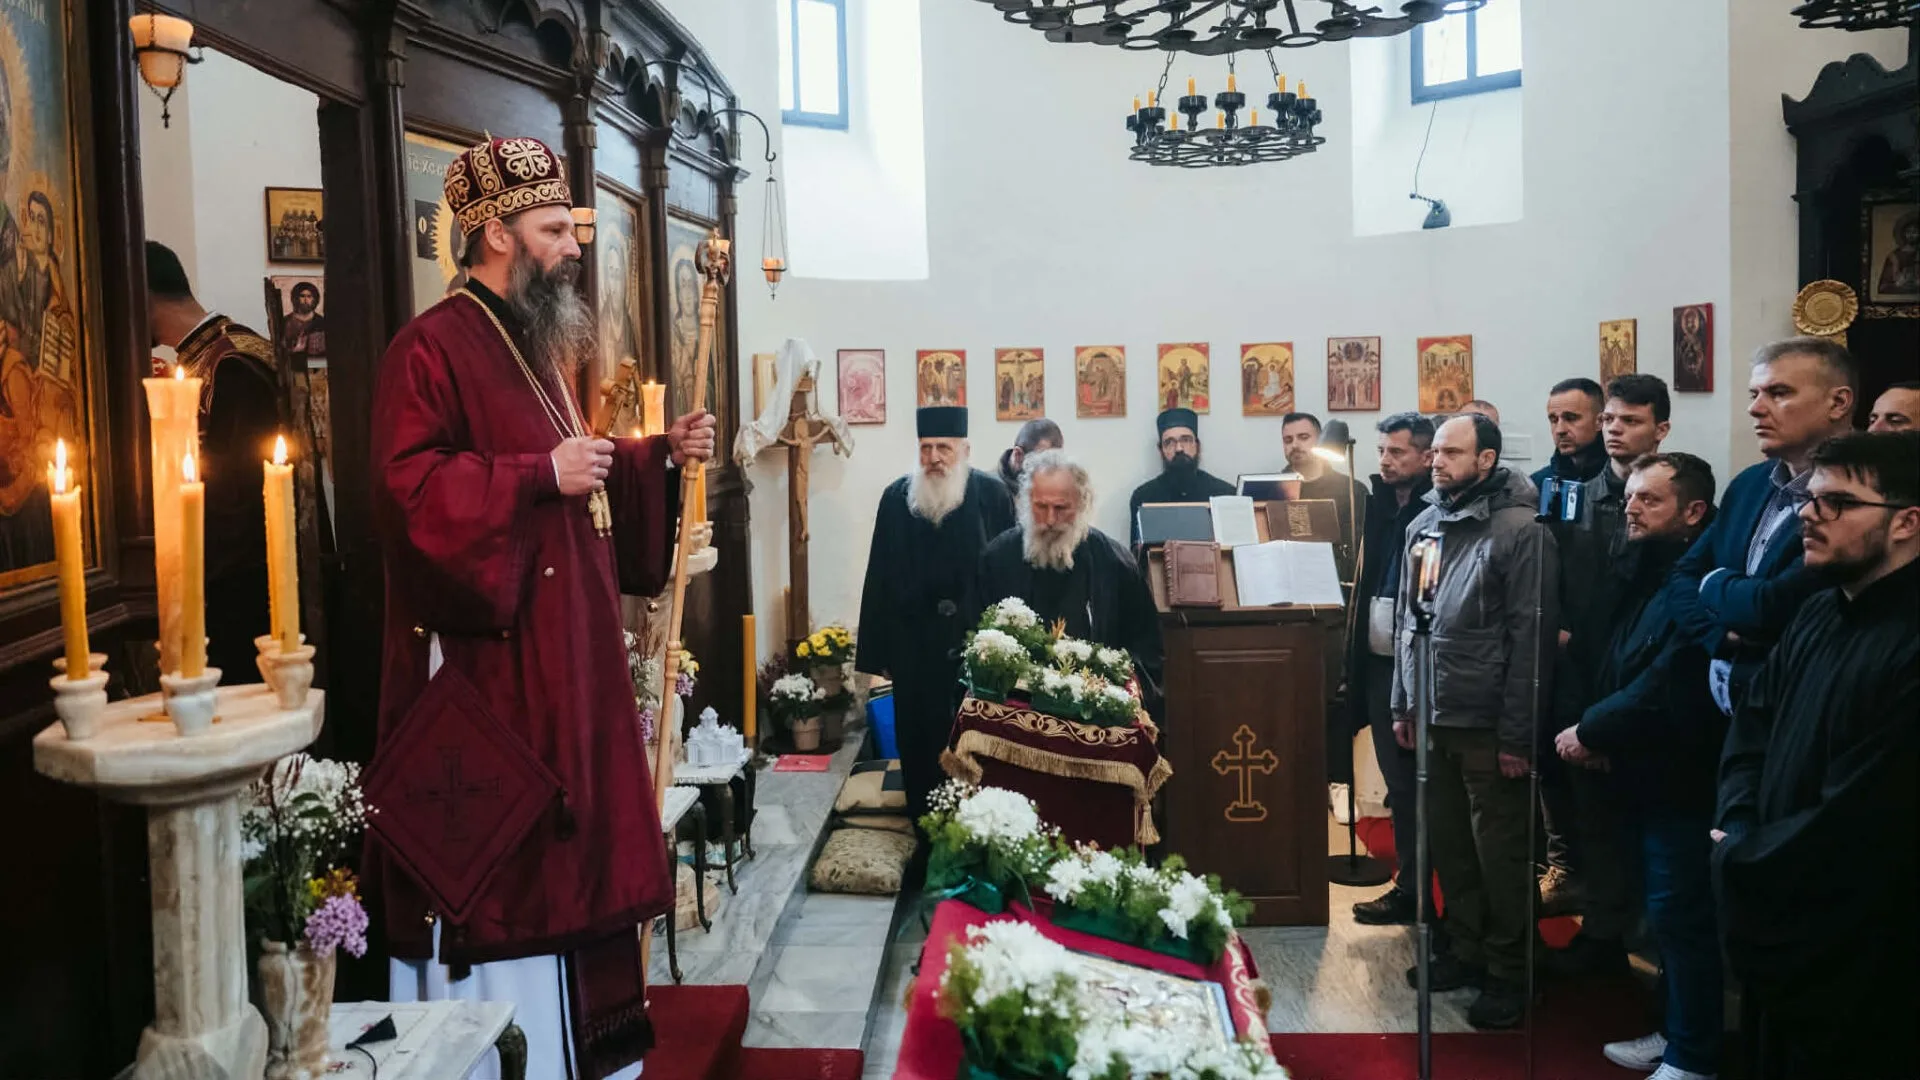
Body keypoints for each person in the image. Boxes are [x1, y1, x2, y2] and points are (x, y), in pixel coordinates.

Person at [366, 135, 717, 1079]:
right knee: (514, 880)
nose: (572, 248)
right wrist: (534, 475)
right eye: (555, 229)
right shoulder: (429, 349)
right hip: (493, 693)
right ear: (495, 234)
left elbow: (577, 487)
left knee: (577, 870)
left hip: (563, 676)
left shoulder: (535, 348)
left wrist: (655, 458)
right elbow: (408, 498)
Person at [1713, 431, 1919, 1080]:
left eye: (1837, 503)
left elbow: (1867, 814)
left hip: (1864, 938)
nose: (1808, 514)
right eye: (1810, 499)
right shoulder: (1818, 612)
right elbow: (1752, 731)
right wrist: (1738, 823)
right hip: (1780, 902)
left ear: (1907, 522)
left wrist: (1744, 855)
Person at [1553, 453, 1723, 1080]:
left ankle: (1692, 1055)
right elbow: (1616, 656)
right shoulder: (1643, 563)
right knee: (1662, 914)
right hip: (1637, 759)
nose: (1631, 508)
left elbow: (1670, 675)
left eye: (1649, 500)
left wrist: (1595, 729)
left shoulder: (1698, 576)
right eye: (1630, 497)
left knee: (1681, 917)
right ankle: (1675, 1031)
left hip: (1680, 771)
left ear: (1693, 511)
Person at [1390, 414, 1557, 1030]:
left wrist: (1518, 734)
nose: (1437, 461)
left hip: (1488, 722)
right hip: (1433, 717)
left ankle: (1512, 971)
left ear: (1486, 461)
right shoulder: (1424, 525)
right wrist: (1403, 702)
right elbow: (1410, 623)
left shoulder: (1522, 531)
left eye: (1451, 453)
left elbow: (1531, 640)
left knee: (1500, 857)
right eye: (1435, 452)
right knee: (1451, 848)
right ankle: (1464, 949)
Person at [1538, 373, 1673, 939]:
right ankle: (1597, 918)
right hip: (1577, 662)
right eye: (1611, 420)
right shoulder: (1573, 490)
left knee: (1631, 807)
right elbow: (1554, 567)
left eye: (1629, 421)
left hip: (1639, 669)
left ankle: (1629, 921)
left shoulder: (1674, 492)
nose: (1615, 430)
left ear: (1660, 429)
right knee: (1581, 796)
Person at [1667, 337, 1858, 722]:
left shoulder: (1858, 496)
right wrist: (1720, 637)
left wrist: (1714, 582)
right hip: (1723, 707)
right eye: (1755, 394)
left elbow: (1771, 606)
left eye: (1779, 393)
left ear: (1838, 403)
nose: (1755, 408)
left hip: (1800, 709)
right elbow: (1682, 575)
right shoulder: (1750, 483)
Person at [856, 406, 1016, 819]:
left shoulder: (993, 495)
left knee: (975, 749)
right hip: (914, 651)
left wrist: (1009, 647)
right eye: (926, 448)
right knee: (919, 748)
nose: (934, 458)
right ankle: (924, 834)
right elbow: (878, 576)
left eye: (944, 447)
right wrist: (877, 656)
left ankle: (974, 834)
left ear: (964, 450)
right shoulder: (897, 498)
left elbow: (1008, 574)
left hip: (975, 651)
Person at [145, 240, 283, 685]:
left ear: (143, 295)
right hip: (228, 584)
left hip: (247, 596)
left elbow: (240, 502)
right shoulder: (204, 358)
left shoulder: (234, 364)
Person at [977, 450, 1163, 708]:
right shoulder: (997, 559)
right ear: (1026, 502)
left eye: (1061, 508)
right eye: (1041, 507)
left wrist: (1115, 685)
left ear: (1083, 504)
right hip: (1015, 710)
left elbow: (1146, 648)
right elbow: (977, 640)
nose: (1050, 520)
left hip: (1093, 712)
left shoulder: (1115, 563)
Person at [1348, 412, 1437, 926]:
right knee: (1399, 786)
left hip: (1420, 667)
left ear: (1427, 456)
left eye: (1397, 452)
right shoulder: (1378, 505)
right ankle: (1410, 885)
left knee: (1421, 788)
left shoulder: (1433, 513)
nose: (1385, 460)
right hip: (1379, 664)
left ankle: (1426, 893)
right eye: (1382, 450)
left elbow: (1426, 600)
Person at [1127, 407, 1235, 547]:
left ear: (1197, 446)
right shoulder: (1143, 497)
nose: (1179, 448)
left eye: (1186, 440)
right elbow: (1136, 556)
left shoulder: (1225, 494)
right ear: (1161, 450)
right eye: (1169, 442)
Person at [1280, 411, 1367, 574]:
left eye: (1303, 437)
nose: (1295, 445)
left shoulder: (1352, 490)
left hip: (1339, 579)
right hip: (1286, 576)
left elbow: (1363, 550)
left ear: (1320, 440)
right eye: (1288, 440)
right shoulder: (1273, 490)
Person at [996, 416, 1062, 499]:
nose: (1050, 470)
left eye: (1055, 461)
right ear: (1018, 455)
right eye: (1043, 461)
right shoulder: (988, 491)